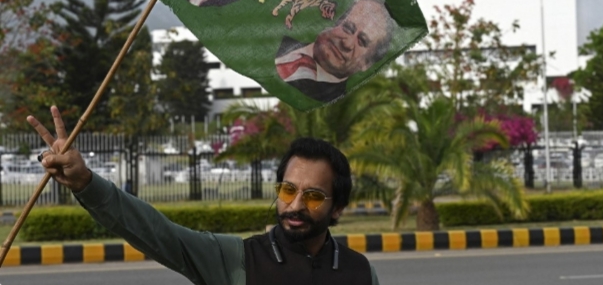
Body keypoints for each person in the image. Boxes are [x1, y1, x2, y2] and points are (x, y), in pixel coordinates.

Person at [29, 107, 379, 285]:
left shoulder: (360, 272)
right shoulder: (237, 259)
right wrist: (87, 183)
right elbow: (157, 233)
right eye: (288, 190)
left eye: (313, 196)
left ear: (338, 208)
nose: (296, 205)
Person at [275, 0, 395, 102]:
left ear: (367, 64)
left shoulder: (329, 103)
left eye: (362, 42)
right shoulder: (275, 38)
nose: (347, 44)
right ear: (337, 22)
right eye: (348, 28)